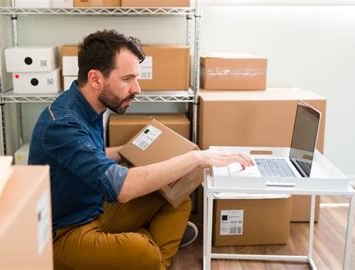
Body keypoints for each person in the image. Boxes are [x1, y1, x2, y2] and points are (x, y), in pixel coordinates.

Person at [28, 29, 253, 270]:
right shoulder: (63, 123)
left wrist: (131, 149)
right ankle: (150, 253)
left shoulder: (87, 105)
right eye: (127, 79)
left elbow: (92, 156)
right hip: (65, 232)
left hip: (94, 208)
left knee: (176, 195)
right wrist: (196, 158)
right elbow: (121, 187)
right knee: (144, 252)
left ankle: (146, 254)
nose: (137, 89)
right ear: (95, 79)